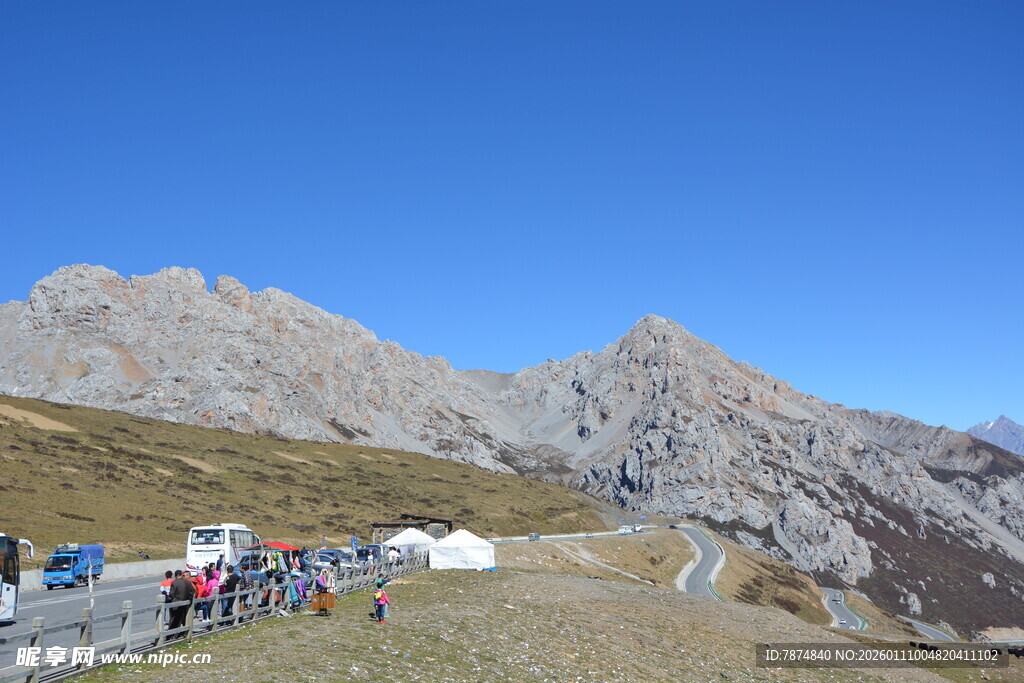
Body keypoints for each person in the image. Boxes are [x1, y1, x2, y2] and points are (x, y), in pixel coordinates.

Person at [167, 570, 195, 635]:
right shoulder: (187, 582)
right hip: (185, 602)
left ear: (176, 575)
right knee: (182, 618)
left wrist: (170, 600)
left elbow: (171, 594)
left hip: (175, 603)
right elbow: (192, 591)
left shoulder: (174, 582)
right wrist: (189, 600)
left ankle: (171, 634)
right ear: (181, 575)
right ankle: (183, 633)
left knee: (174, 619)